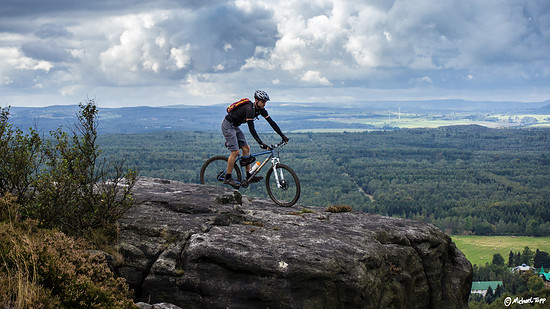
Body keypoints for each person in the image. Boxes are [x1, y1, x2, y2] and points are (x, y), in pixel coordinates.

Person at [221, 90, 289, 189]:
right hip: (228, 125)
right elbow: (251, 129)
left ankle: (249, 175)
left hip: (235, 126)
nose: (264, 104)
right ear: (256, 100)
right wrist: (260, 143)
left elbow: (272, 123)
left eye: (265, 102)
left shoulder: (261, 109)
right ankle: (228, 177)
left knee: (246, 149)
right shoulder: (249, 109)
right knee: (235, 152)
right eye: (263, 101)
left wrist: (283, 136)